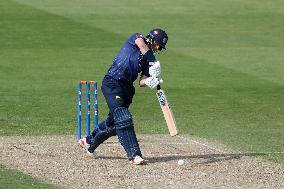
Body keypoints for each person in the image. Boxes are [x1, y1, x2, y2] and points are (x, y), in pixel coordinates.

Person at [79, 28, 168, 165]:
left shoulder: (147, 62)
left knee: (115, 124)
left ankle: (88, 141)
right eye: (157, 45)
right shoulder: (137, 38)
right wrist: (153, 61)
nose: (157, 48)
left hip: (126, 89)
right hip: (112, 83)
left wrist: (150, 81)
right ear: (151, 39)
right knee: (123, 117)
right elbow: (143, 46)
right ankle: (135, 155)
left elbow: (141, 82)